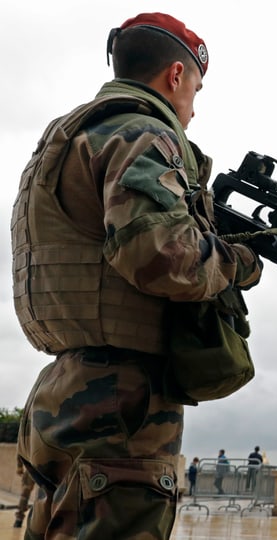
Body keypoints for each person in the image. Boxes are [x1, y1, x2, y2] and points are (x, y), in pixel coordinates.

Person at [11, 12, 262, 539]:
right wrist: (240, 261)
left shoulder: (71, 136)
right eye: (196, 85)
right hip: (123, 403)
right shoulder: (143, 133)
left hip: (68, 387)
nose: (194, 103)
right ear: (176, 75)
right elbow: (162, 257)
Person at [13, 457, 36, 529]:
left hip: (39, 466)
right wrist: (19, 466)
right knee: (25, 493)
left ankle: (19, 519)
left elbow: (20, 448)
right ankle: (19, 518)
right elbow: (20, 449)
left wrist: (19, 466)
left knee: (25, 493)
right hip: (32, 466)